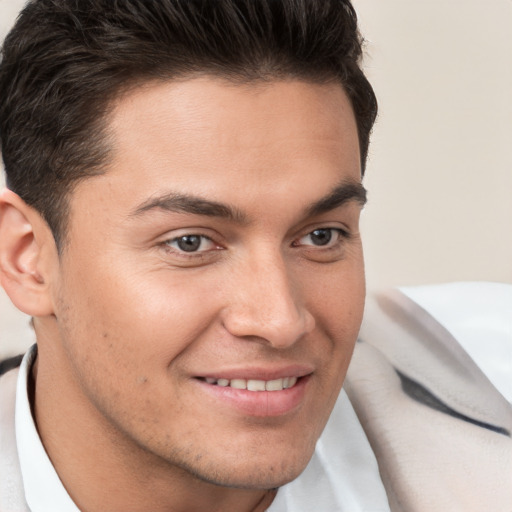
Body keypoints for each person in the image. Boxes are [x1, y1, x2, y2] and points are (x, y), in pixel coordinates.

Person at [0, 1, 510, 511]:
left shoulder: (493, 384)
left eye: (321, 236)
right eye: (190, 243)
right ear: (28, 258)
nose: (280, 321)